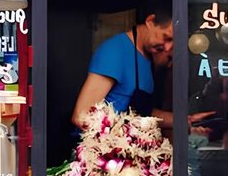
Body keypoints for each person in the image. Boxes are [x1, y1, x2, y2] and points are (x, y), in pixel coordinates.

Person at [70, 9, 212, 135]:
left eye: (173, 42)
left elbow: (140, 112)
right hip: (102, 156)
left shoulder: (147, 58)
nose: (168, 47)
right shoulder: (115, 51)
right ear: (150, 21)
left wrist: (184, 120)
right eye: (166, 37)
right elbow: (82, 116)